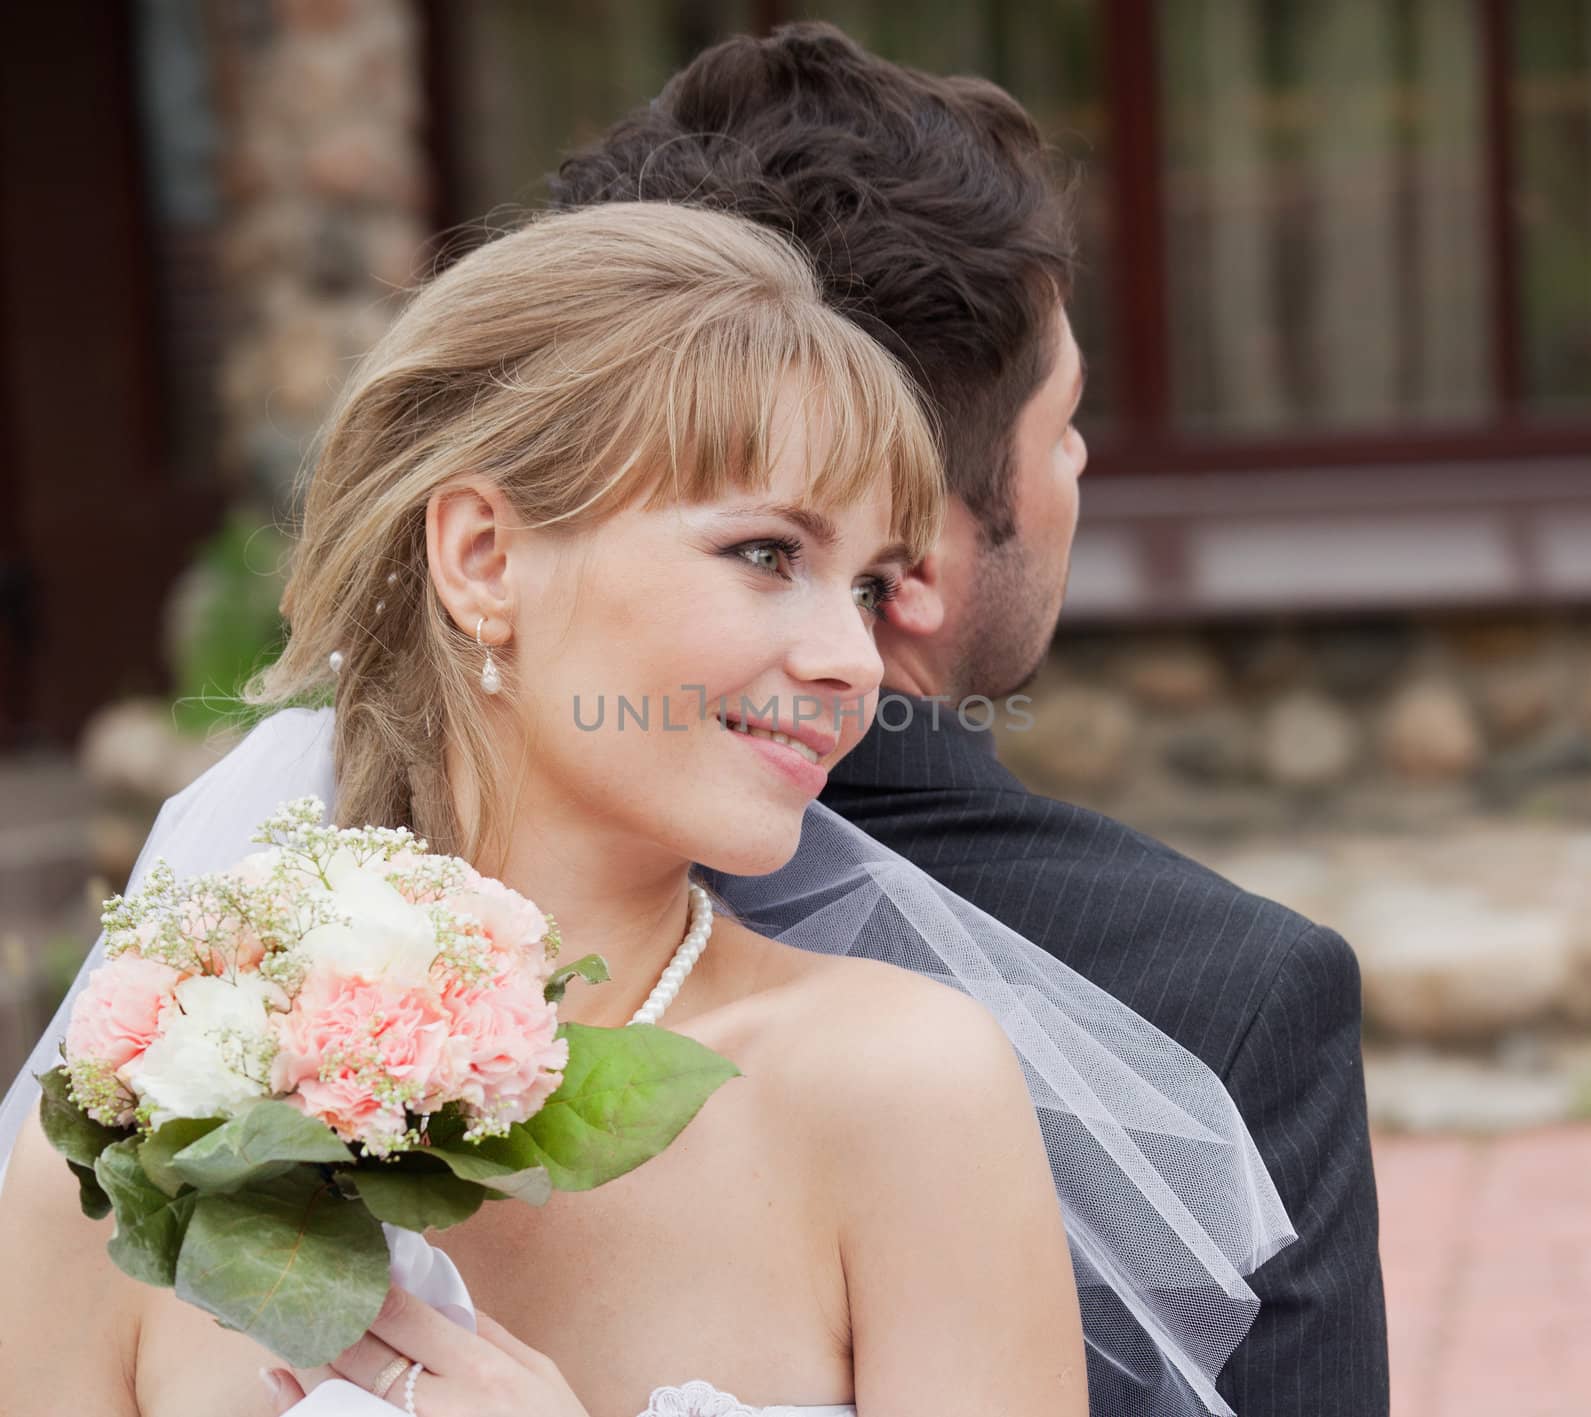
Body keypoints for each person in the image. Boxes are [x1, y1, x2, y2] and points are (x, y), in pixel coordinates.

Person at [0, 199, 1285, 1417]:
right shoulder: (147, 1123)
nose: (850, 656)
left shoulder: (899, 1089)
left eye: (870, 585)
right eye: (767, 552)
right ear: (484, 559)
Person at [549, 22, 1388, 1417]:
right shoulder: (1231, 1000)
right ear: (915, 560)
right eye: (1062, 421)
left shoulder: (320, 918)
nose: (1079, 465)